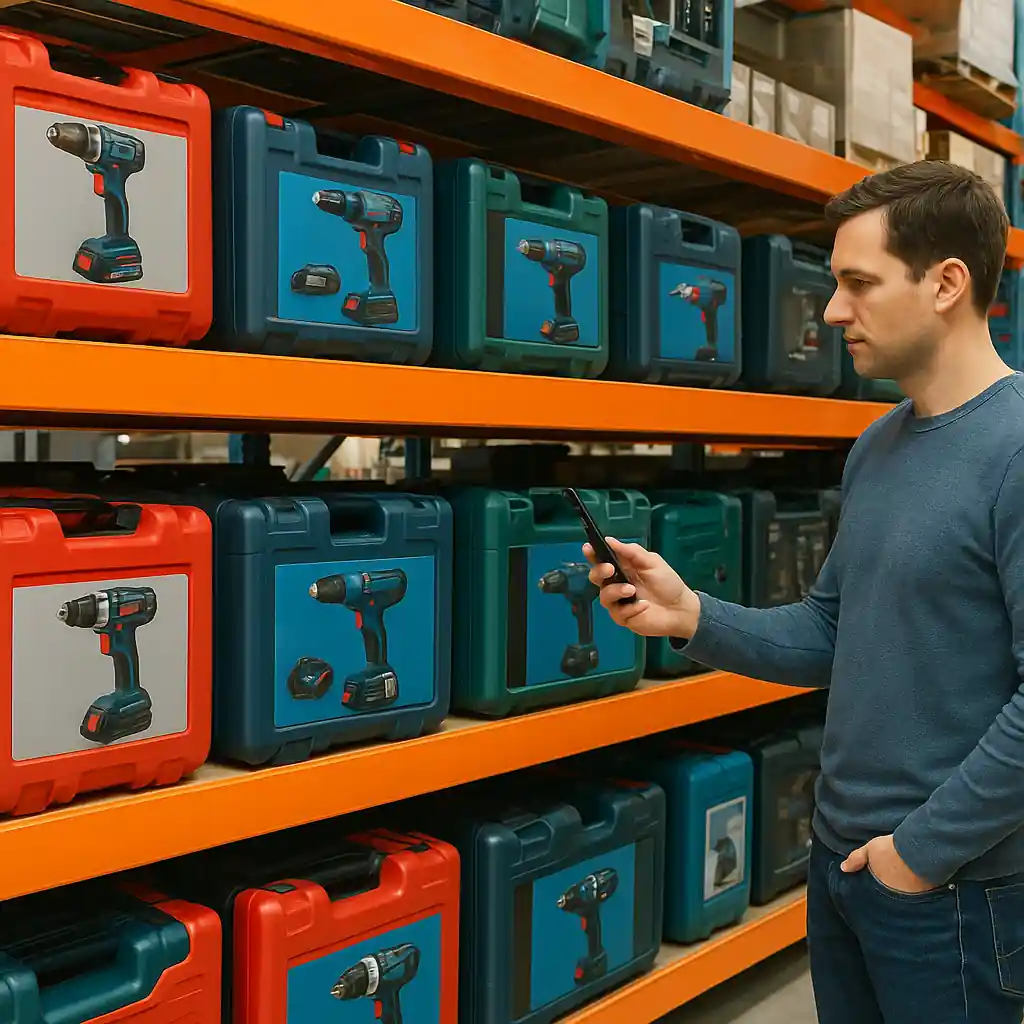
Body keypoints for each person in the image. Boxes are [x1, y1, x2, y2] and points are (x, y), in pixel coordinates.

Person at [585, 160, 1024, 1023]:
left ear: (946, 284)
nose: (831, 312)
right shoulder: (878, 445)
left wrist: (920, 856)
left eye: (858, 284)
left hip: (956, 893)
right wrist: (691, 616)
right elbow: (832, 631)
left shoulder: (1016, 451)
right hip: (847, 867)